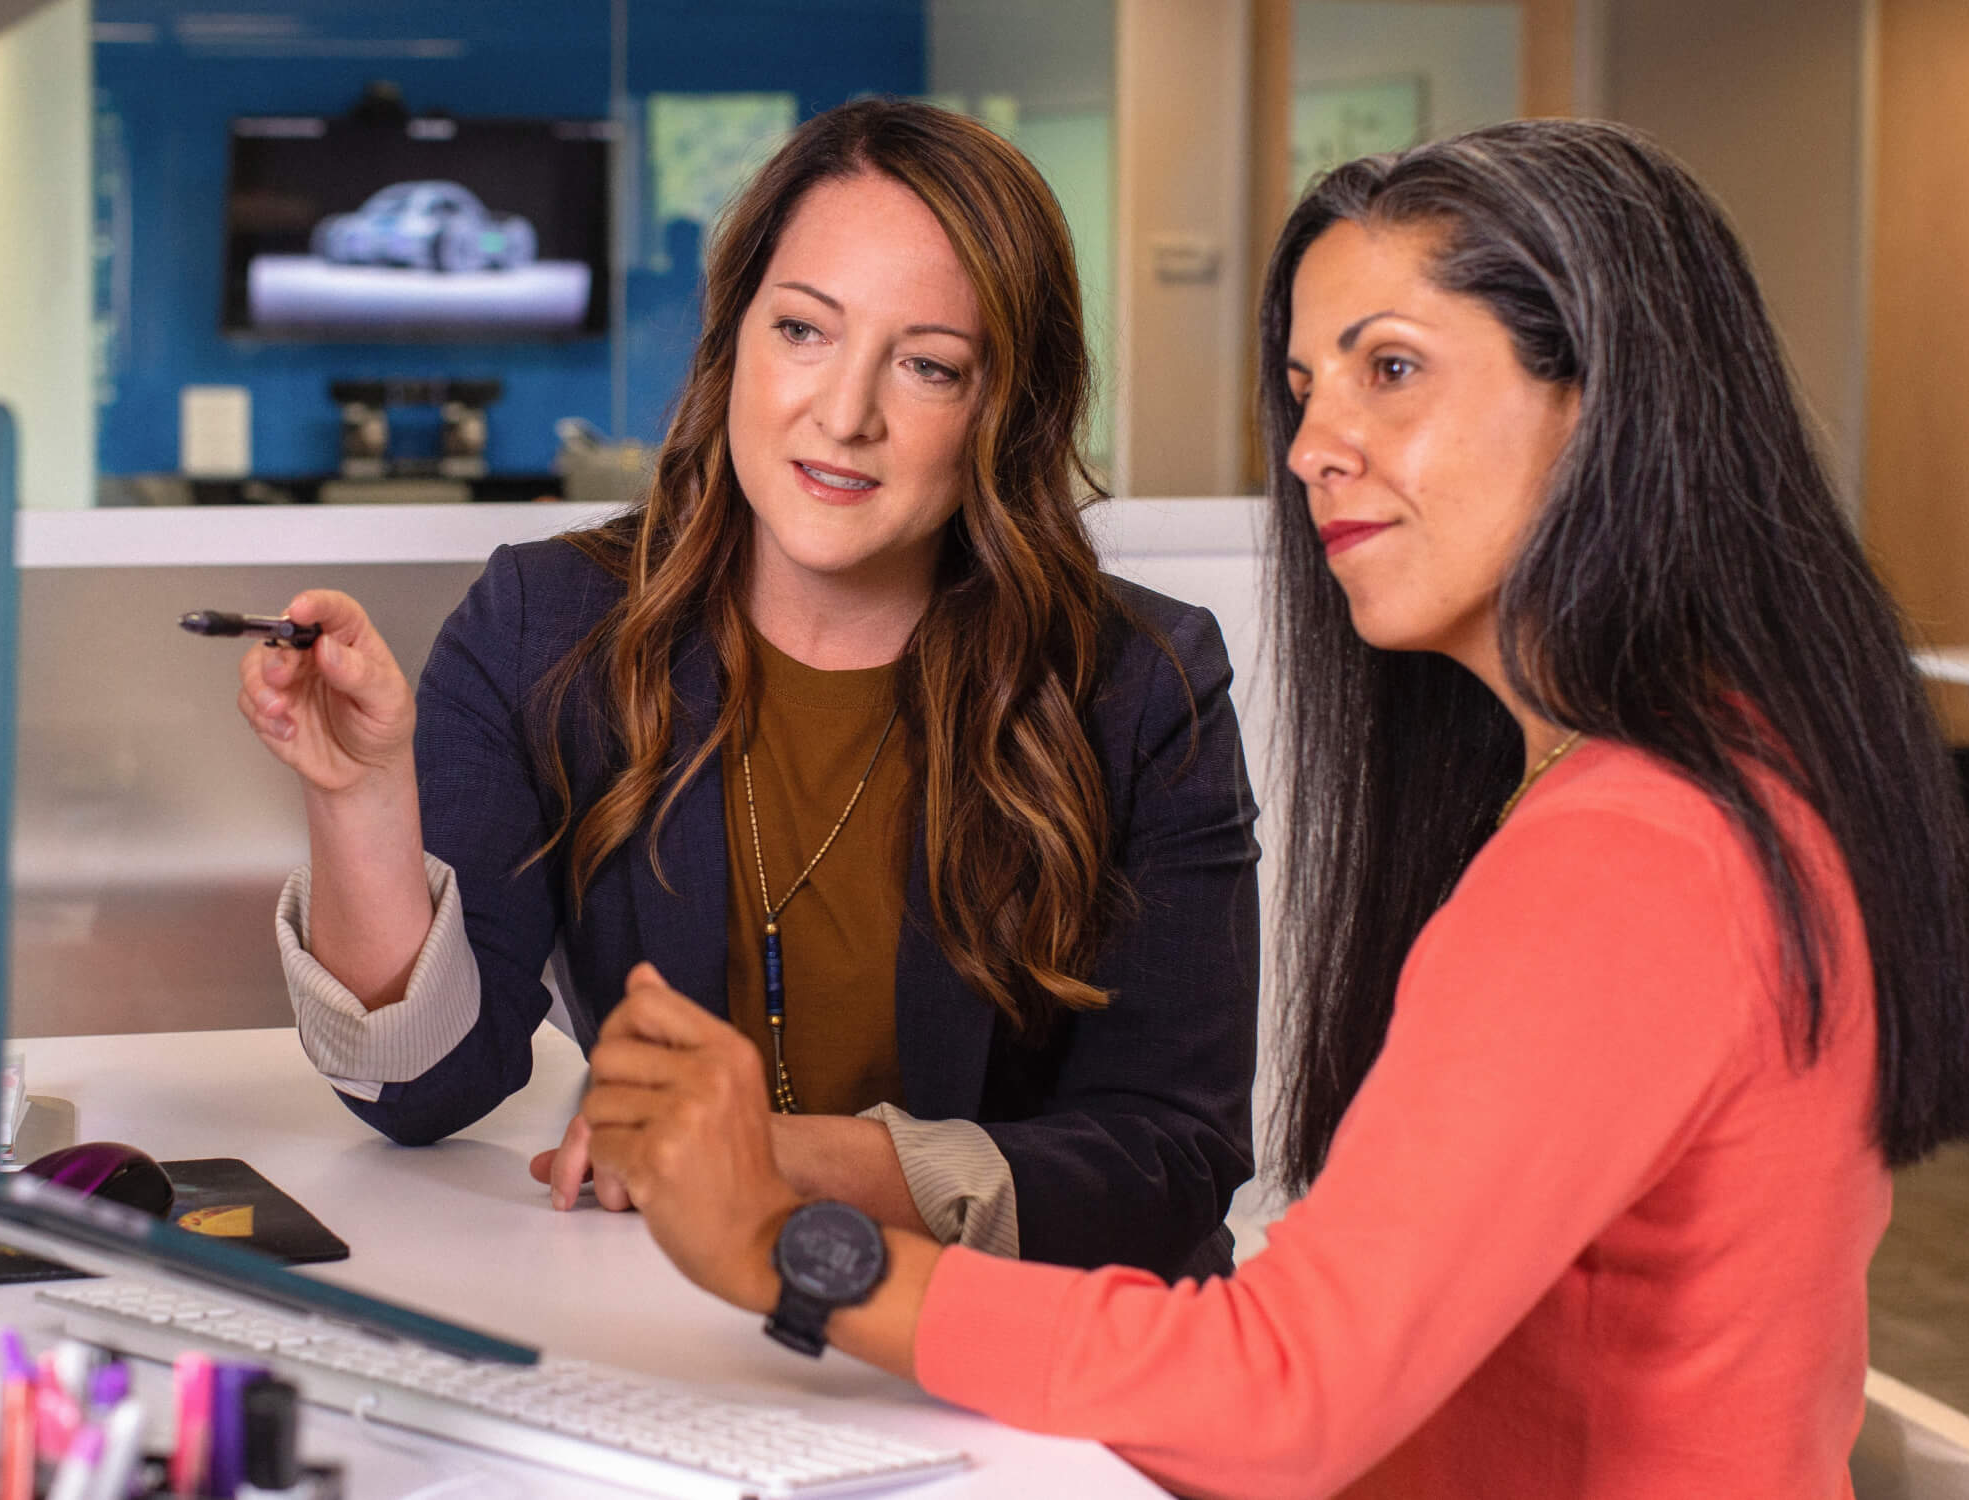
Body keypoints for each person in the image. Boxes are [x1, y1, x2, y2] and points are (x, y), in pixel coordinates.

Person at [573, 119, 1969, 1497]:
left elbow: (1285, 1398)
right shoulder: (1734, 778)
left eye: (1392, 370)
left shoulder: (1631, 857)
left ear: (1608, 402)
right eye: (1308, 385)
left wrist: (788, 1248)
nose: (1315, 442)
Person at [235, 98, 1260, 1282]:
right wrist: (363, 795)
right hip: (682, 1326)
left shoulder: (1141, 684)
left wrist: (777, 1158)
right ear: (735, 342)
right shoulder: (547, 627)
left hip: (1016, 1355)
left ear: (1003, 410)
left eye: (928, 365)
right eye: (805, 331)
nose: (844, 414)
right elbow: (423, 1089)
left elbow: (1169, 1160)